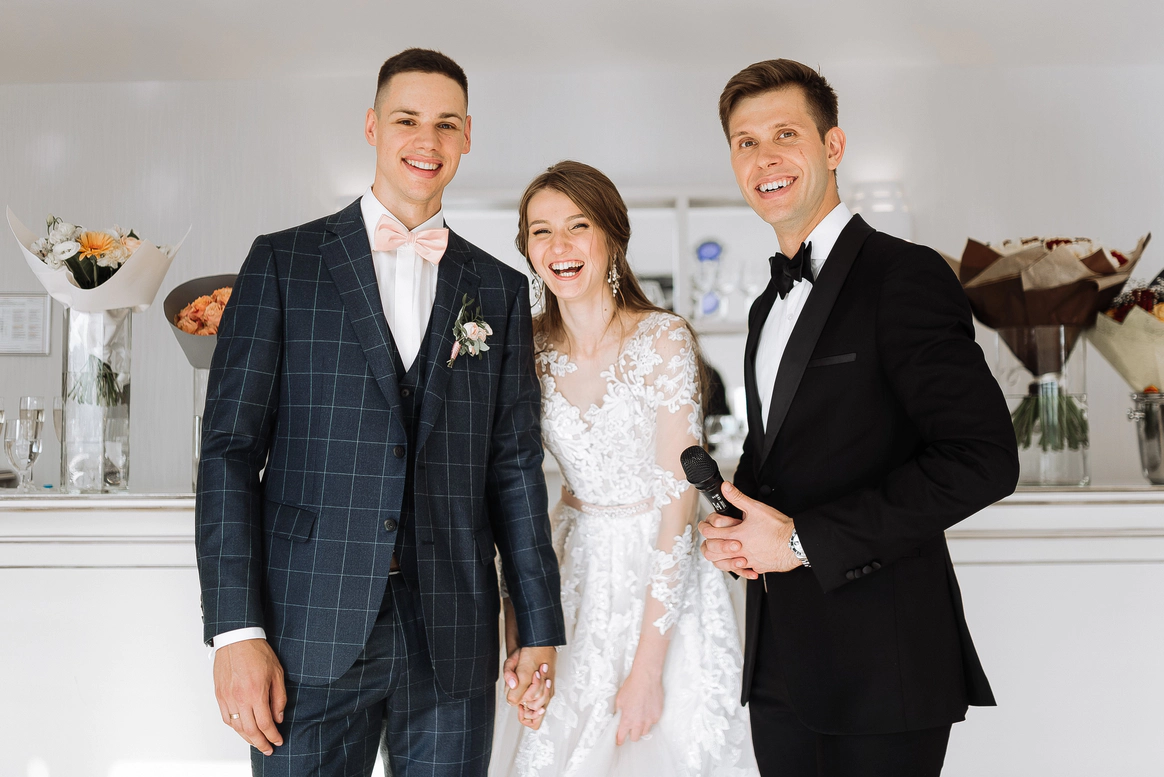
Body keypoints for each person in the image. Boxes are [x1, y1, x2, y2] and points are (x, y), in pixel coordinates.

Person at [194, 48, 565, 777]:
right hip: (307, 631)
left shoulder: (498, 288)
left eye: (446, 124)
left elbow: (514, 467)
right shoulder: (284, 263)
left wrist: (537, 622)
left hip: (454, 634)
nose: (427, 140)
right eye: (406, 120)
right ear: (371, 126)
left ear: (467, 136)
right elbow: (229, 451)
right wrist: (236, 630)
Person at [699, 59, 1019, 777]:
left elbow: (983, 458)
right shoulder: (764, 306)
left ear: (833, 145)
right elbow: (789, 451)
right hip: (779, 662)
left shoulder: (905, 274)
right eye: (746, 142)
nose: (765, 157)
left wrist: (802, 541)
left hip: (883, 666)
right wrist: (738, 526)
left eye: (786, 134)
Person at [489, 161, 759, 777]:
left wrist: (647, 670)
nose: (559, 246)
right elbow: (508, 487)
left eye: (577, 226)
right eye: (541, 231)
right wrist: (519, 623)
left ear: (612, 236)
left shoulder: (663, 339)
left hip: (662, 566)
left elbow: (678, 504)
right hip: (571, 562)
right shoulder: (526, 349)